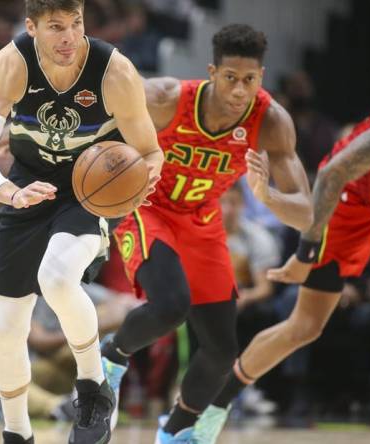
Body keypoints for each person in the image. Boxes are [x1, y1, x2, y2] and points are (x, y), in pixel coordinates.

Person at [0, 1, 164, 442]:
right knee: (8, 325)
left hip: (89, 190)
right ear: (31, 27)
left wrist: (143, 176)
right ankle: (17, 434)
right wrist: (10, 192)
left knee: (57, 276)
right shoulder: (12, 63)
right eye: (56, 27)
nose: (69, 37)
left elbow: (150, 150)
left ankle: (92, 389)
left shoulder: (115, 71)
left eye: (77, 24)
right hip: (27, 184)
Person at [100, 24, 313, 443]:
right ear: (212, 72)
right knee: (172, 307)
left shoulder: (270, 121)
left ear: (261, 79)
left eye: (249, 80)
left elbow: (306, 213)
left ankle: (175, 433)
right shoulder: (165, 98)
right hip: (149, 205)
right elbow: (100, 112)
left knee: (220, 351)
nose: (239, 90)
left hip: (202, 218)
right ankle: (113, 353)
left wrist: (266, 196)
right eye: (230, 78)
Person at [199, 93, 370, 442]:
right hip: (347, 204)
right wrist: (305, 254)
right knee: (304, 327)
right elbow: (333, 172)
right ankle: (212, 406)